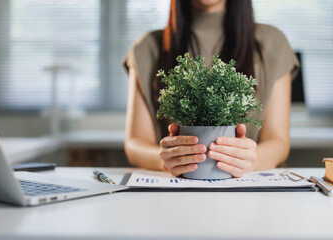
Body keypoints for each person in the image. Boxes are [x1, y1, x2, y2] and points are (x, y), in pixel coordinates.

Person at [123, 0, 299, 177]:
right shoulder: (147, 47)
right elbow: (135, 143)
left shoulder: (272, 43)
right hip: (177, 188)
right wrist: (164, 159)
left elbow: (278, 141)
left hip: (248, 192)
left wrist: (252, 159)